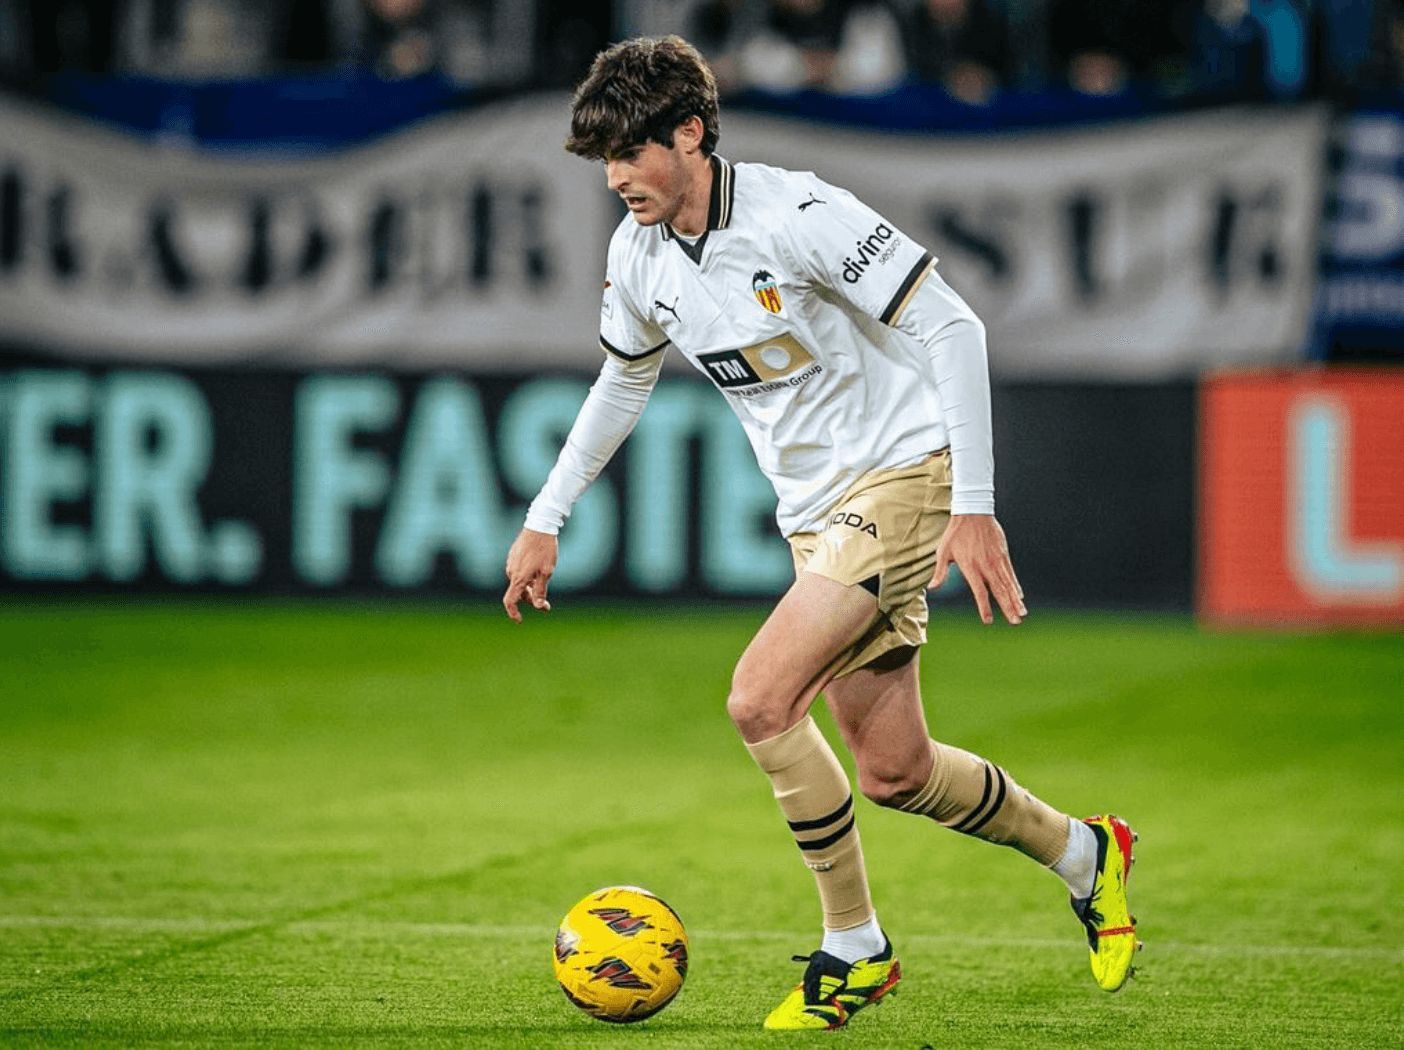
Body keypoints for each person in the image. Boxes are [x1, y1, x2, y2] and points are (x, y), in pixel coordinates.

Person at [502, 35, 1139, 1031]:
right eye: (605, 161)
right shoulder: (639, 257)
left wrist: (973, 502)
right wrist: (547, 515)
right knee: (894, 772)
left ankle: (856, 948)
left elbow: (954, 327)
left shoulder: (798, 213)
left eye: (632, 152)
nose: (619, 177)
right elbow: (625, 378)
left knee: (759, 699)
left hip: (905, 474)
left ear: (690, 133)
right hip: (818, 516)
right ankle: (1083, 853)